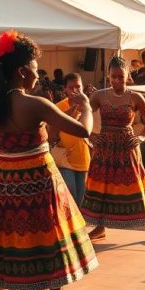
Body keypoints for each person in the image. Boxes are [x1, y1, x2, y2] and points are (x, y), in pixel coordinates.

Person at [0, 31, 96, 290]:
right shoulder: (35, 104)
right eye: (33, 69)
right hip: (38, 177)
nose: (37, 75)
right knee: (49, 230)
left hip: (4, 177)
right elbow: (83, 130)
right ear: (21, 71)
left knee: (1, 230)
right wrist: (87, 106)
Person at [79, 57, 145, 244]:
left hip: (127, 147)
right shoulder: (99, 95)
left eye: (121, 77)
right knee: (103, 187)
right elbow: (84, 115)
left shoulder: (135, 97)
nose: (117, 81)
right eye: (113, 77)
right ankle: (100, 227)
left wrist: (142, 136)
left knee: (137, 185)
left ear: (128, 76)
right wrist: (91, 136)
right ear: (108, 76)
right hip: (104, 147)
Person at [50, 73, 92, 205]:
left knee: (80, 201)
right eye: (71, 87)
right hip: (64, 159)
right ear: (65, 89)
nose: (75, 90)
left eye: (78, 87)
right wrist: (73, 109)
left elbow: (92, 130)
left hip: (83, 158)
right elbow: (53, 129)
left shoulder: (88, 106)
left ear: (83, 87)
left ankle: (78, 226)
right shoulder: (59, 106)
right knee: (70, 196)